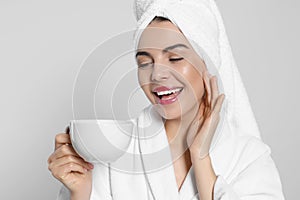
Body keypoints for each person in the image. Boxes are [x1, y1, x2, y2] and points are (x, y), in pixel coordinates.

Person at [47, 0, 285, 199]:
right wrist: (80, 191)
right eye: (144, 62)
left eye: (175, 58)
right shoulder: (115, 151)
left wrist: (201, 159)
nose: (157, 74)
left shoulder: (249, 158)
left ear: (208, 63)